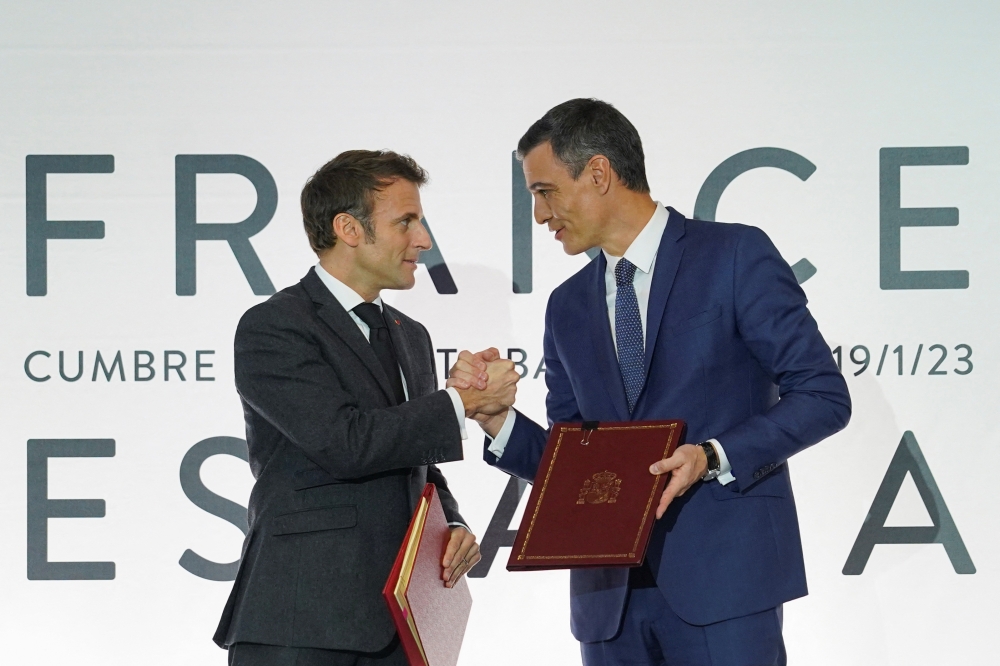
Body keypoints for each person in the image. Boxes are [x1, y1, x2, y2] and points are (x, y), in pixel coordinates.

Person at [449, 99, 851, 666]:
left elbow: (823, 396)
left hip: (726, 584)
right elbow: (573, 462)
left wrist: (711, 456)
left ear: (598, 172)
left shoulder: (734, 255)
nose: (538, 215)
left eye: (544, 191)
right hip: (609, 604)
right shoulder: (566, 307)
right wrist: (496, 418)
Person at [214, 150, 520, 666]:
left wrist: (452, 525)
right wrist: (459, 404)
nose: (423, 240)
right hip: (300, 623)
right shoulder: (274, 326)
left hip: (400, 628)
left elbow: (413, 463)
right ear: (348, 228)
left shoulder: (411, 336)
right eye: (406, 222)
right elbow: (345, 443)